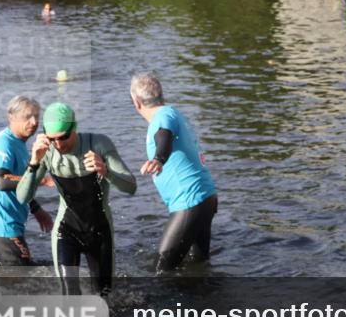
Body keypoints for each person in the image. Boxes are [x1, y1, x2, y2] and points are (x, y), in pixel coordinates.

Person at [18, 103, 136, 295]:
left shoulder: (98, 144)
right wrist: (34, 162)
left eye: (63, 136)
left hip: (100, 230)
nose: (58, 144)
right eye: (52, 138)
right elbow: (23, 197)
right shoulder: (46, 152)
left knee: (104, 295)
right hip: (67, 231)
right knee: (69, 294)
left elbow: (131, 187)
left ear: (75, 128)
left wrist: (106, 171)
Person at [130, 73, 218, 272]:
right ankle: (207, 302)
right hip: (205, 198)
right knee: (198, 266)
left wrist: (158, 159)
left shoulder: (163, 116)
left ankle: (166, 304)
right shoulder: (172, 113)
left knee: (162, 270)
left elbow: (164, 137)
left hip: (189, 202)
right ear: (162, 95)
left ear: (136, 102)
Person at [0, 96, 54, 265]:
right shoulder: (4, 144)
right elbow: (2, 181)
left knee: (4, 280)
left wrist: (37, 210)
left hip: (0, 227)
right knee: (26, 279)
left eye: (36, 116)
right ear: (12, 117)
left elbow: (20, 186)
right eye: (27, 117)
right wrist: (41, 181)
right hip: (2, 229)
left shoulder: (18, 143)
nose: (34, 122)